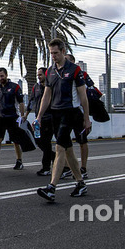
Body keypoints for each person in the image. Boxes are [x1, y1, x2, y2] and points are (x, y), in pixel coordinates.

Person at [36, 39, 91, 202]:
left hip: (71, 112)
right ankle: (81, 184)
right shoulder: (50, 71)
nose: (53, 56)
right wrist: (39, 116)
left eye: (56, 53)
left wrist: (86, 118)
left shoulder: (74, 70)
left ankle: (51, 188)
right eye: (51, 53)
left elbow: (83, 96)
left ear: (63, 50)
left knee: (59, 148)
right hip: (56, 113)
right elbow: (47, 95)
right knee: (68, 150)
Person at [0, 67, 26, 171]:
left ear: (6, 75)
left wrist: (22, 116)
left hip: (12, 117)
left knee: (16, 141)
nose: (0, 78)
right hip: (1, 117)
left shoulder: (15, 87)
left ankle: (19, 161)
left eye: (2, 76)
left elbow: (21, 102)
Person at [60, 53, 92, 180]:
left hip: (77, 112)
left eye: (67, 60)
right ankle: (69, 167)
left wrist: (87, 117)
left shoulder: (80, 74)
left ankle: (83, 168)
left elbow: (86, 94)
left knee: (82, 140)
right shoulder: (59, 73)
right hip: (63, 112)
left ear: (72, 62)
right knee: (64, 143)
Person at [23, 67, 54, 176]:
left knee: (46, 142)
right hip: (38, 120)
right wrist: (26, 115)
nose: (38, 77)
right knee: (38, 141)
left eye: (40, 74)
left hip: (49, 119)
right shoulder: (35, 87)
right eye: (38, 75)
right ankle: (54, 156)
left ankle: (46, 168)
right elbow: (31, 102)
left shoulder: (51, 87)